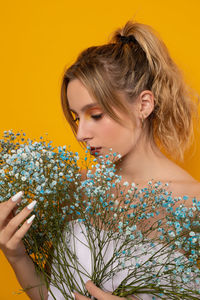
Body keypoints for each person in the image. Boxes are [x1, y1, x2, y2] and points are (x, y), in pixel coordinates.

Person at [0, 19, 200, 300]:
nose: (81, 133)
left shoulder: (193, 201)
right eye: (76, 117)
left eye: (95, 115)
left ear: (144, 105)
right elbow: (53, 294)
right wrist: (17, 256)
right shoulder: (76, 187)